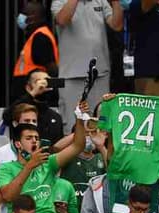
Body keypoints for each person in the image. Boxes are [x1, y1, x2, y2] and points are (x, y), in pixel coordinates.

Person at [51, 0, 121, 129]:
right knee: (73, 124)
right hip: (71, 75)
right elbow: (62, 20)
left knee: (101, 123)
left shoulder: (100, 1)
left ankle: (100, 149)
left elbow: (116, 25)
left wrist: (116, 3)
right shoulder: (59, 1)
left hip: (100, 73)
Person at [11, 4, 59, 97]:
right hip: (30, 95)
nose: (20, 17)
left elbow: (52, 69)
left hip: (35, 97)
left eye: (25, 14)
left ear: (34, 16)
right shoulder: (36, 36)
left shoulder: (40, 37)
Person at [10, 70, 65, 146]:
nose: (43, 85)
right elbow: (8, 115)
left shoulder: (56, 117)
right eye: (38, 81)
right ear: (28, 87)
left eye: (46, 81)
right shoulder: (21, 112)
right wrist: (33, 93)